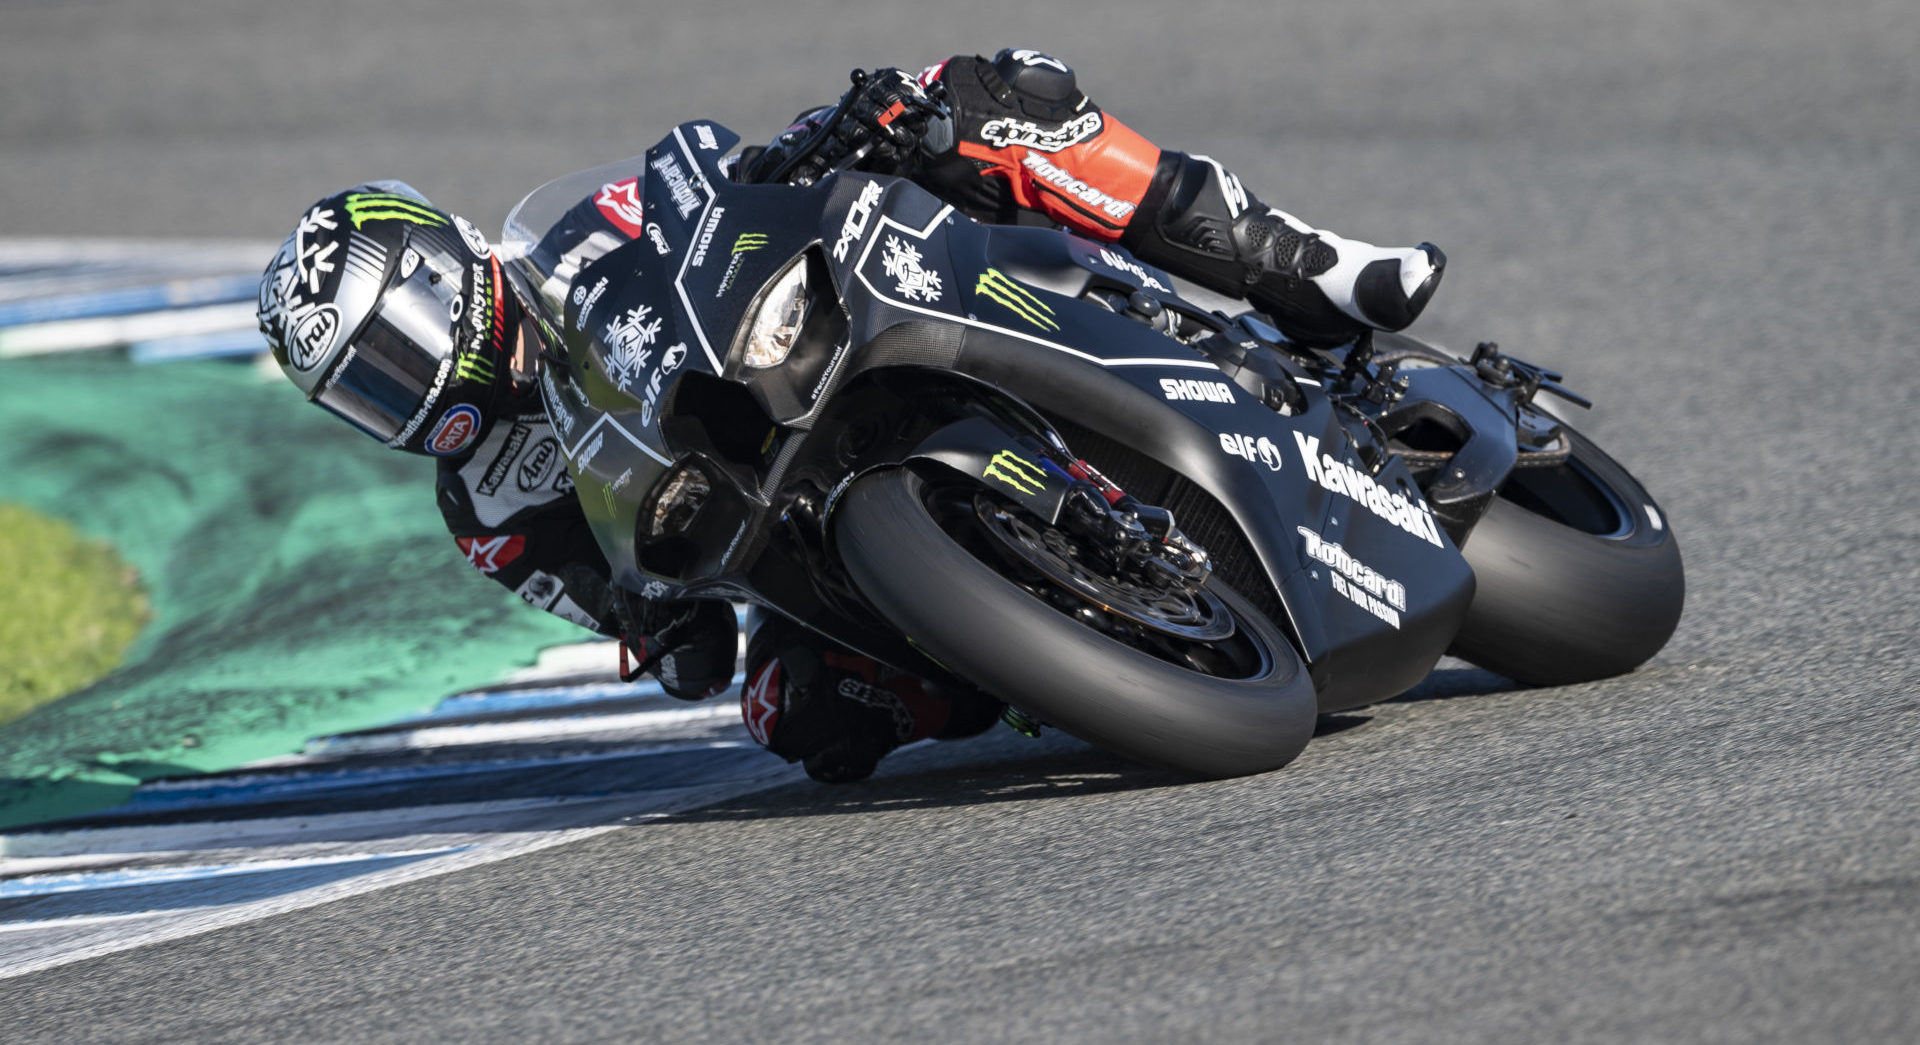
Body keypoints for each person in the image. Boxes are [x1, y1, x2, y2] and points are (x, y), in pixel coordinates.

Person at [255, 48, 1445, 783]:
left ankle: (1314, 266)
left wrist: (842, 133)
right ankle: (1053, 647)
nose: (403, 396)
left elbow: (711, 193)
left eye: (395, 355)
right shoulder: (488, 500)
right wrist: (663, 631)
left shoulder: (572, 236)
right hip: (775, 507)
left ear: (444, 274)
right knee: (794, 717)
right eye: (365, 394)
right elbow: (626, 605)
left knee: (979, 98)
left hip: (829, 322)